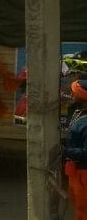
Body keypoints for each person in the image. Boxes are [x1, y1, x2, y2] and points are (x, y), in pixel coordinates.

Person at [65, 79, 87, 220]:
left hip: (83, 174)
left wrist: (66, 151)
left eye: (73, 94)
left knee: (83, 211)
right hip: (76, 172)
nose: (70, 96)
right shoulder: (79, 112)